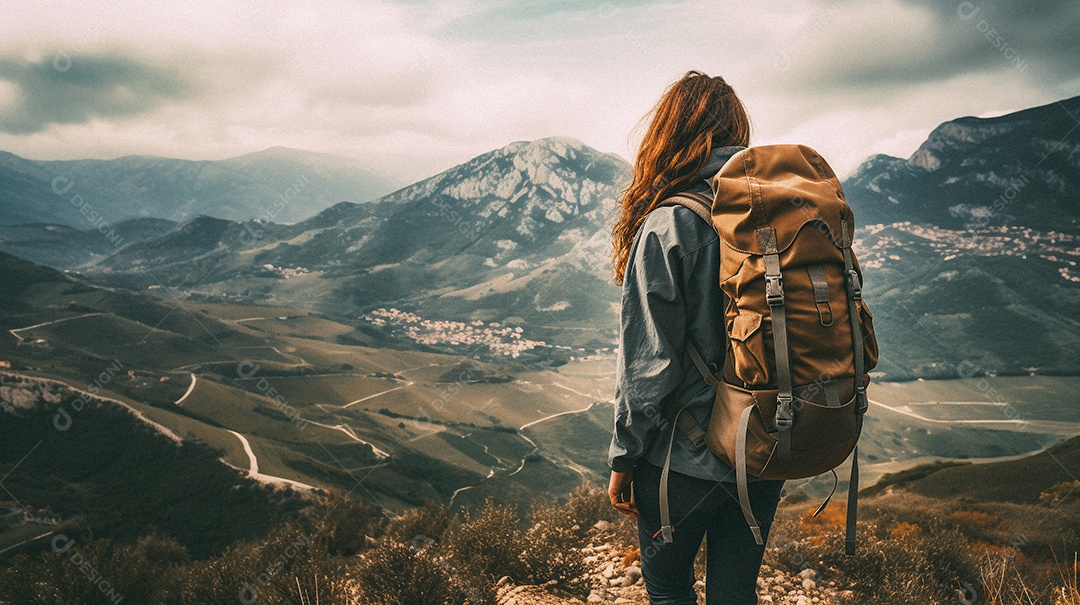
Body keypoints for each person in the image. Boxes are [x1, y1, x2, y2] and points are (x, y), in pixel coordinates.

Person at [607, 70, 786, 605]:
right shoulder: (772, 213)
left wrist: (623, 459)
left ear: (669, 135)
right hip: (765, 444)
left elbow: (648, 368)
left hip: (684, 458)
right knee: (735, 592)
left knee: (668, 588)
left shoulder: (669, 224)